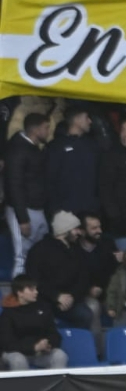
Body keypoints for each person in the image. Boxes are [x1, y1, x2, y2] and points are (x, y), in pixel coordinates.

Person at [6, 113, 49, 276]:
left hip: (37, 209)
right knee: (21, 257)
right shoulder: (18, 150)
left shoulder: (32, 148)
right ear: (36, 130)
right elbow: (14, 185)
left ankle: (35, 293)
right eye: (46, 128)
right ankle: (18, 299)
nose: (48, 132)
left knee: (38, 253)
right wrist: (22, 219)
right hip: (22, 211)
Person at [0, 276, 68, 370]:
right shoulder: (8, 313)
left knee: (59, 355)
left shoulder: (43, 308)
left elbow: (54, 334)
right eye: (31, 289)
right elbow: (7, 343)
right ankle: (23, 385)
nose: (36, 292)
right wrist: (33, 347)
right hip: (15, 352)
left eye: (36, 289)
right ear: (20, 293)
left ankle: (56, 385)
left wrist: (48, 344)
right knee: (18, 360)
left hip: (40, 353)